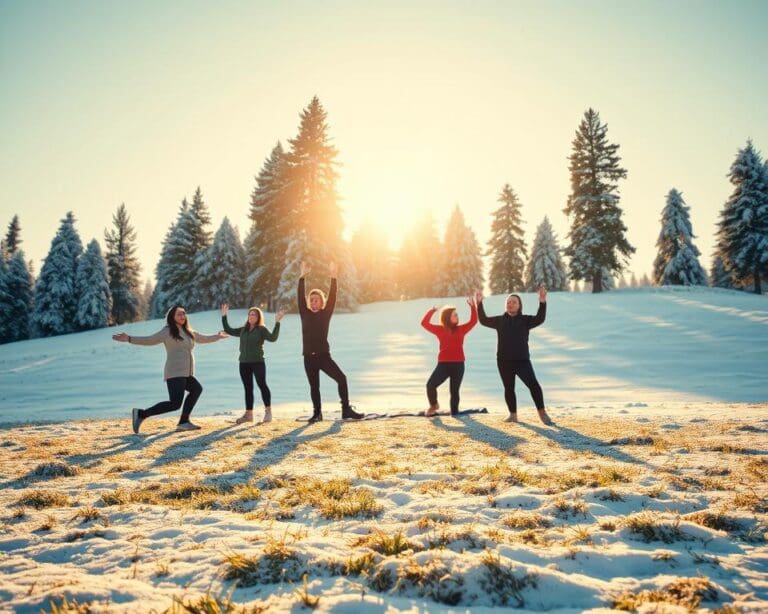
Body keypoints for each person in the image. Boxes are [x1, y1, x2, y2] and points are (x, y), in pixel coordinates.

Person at [112, 305, 227, 434]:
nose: (182, 316)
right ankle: (141, 414)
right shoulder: (168, 331)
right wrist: (129, 339)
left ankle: (184, 422)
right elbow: (150, 340)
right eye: (179, 314)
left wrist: (217, 336)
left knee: (196, 389)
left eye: (183, 313)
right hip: (175, 372)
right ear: (172, 317)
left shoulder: (188, 331)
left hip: (186, 373)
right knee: (175, 404)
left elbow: (202, 338)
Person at [475, 287, 553, 424]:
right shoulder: (499, 320)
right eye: (509, 302)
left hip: (522, 361)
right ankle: (513, 415)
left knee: (534, 386)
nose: (511, 304)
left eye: (514, 302)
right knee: (509, 388)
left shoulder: (525, 320)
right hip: (504, 361)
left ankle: (542, 413)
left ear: (519, 305)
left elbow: (540, 318)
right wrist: (479, 303)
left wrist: (542, 301)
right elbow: (483, 320)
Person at [298, 261, 362, 422]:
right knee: (314, 387)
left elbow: (332, 296)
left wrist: (333, 277)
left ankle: (346, 409)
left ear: (322, 302)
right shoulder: (304, 313)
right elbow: (299, 296)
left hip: (323, 357)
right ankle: (317, 413)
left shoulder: (325, 314)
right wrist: (302, 277)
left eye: (316, 300)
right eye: (311, 300)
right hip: (308, 358)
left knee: (342, 378)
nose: (313, 303)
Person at [221, 303, 284, 424]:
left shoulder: (261, 329)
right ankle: (249, 414)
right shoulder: (243, 329)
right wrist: (224, 316)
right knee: (248, 388)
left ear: (258, 317)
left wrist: (277, 322)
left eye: (254, 314)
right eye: (250, 314)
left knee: (262, 385)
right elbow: (229, 330)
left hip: (258, 362)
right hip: (243, 363)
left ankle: (268, 412)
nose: (251, 316)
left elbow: (273, 338)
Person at [420, 297, 478, 417]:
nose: (457, 317)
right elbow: (424, 323)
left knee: (454, 391)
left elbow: (473, 321)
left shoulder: (461, 329)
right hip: (443, 365)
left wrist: (472, 306)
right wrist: (432, 310)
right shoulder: (440, 330)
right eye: (454, 315)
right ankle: (434, 405)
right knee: (430, 385)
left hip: (458, 365)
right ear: (447, 317)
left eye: (457, 314)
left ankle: (455, 412)